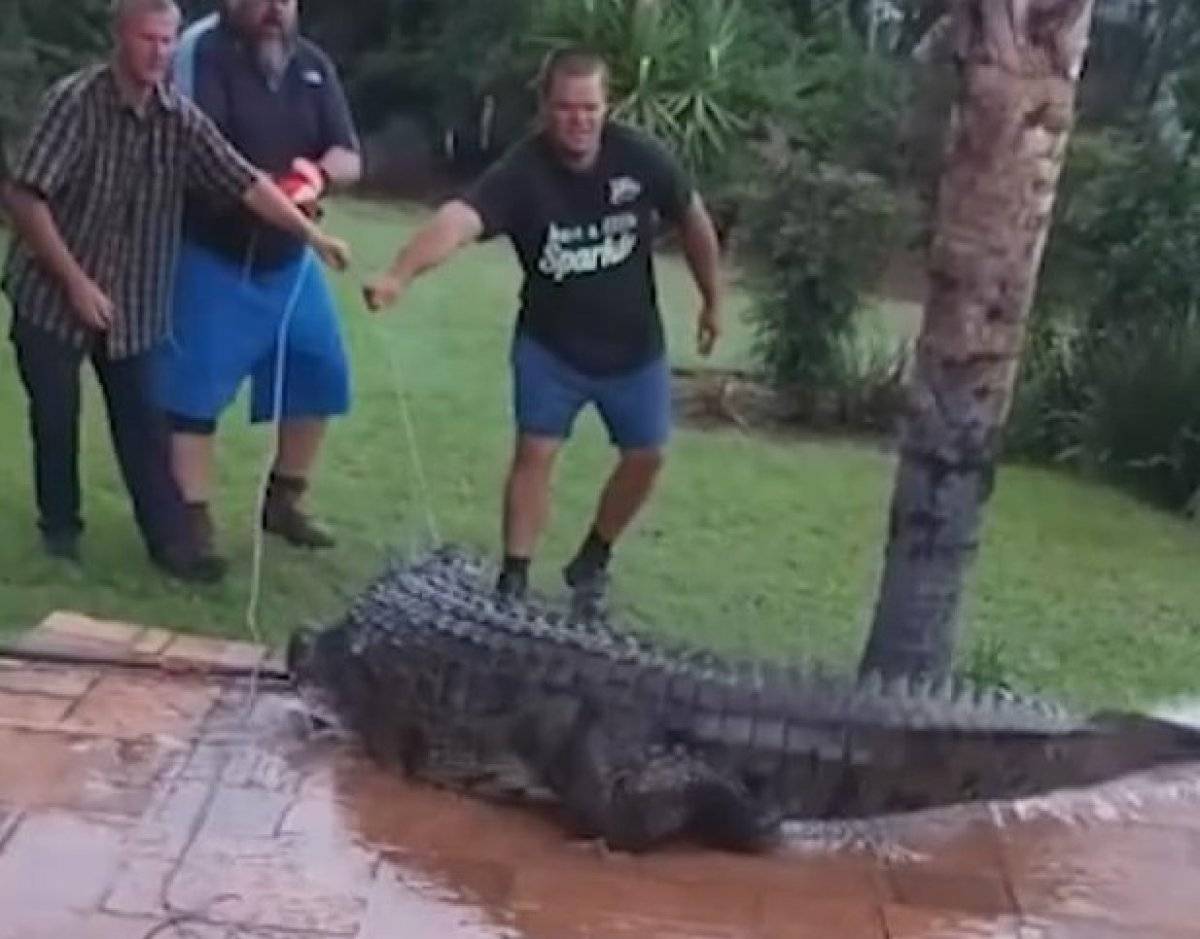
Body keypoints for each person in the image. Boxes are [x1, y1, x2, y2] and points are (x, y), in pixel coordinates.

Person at [363, 47, 723, 615]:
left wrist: (712, 301)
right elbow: (458, 221)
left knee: (647, 455)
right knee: (536, 452)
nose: (577, 121)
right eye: (563, 108)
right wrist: (398, 275)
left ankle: (594, 557)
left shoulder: (642, 157)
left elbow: (693, 218)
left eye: (589, 108)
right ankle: (514, 578)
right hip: (551, 348)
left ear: (608, 107)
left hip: (634, 348)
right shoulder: (522, 172)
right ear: (544, 108)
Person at [0, 0, 350, 582]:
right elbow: (24, 198)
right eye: (147, 40)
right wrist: (76, 282)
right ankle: (60, 533)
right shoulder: (76, 103)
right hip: (52, 295)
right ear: (121, 37)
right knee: (57, 417)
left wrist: (313, 236)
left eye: (167, 41)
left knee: (143, 422)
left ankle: (172, 546)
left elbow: (243, 181)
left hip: (130, 303)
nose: (159, 53)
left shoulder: (177, 118)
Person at [153, 0, 361, 565]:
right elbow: (206, 156)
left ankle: (284, 502)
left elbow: (347, 154)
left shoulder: (312, 63)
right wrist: (284, 200)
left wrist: (316, 175)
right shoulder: (201, 52)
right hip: (210, 252)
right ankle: (189, 520)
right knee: (192, 396)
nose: (274, 9)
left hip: (287, 261)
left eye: (285, 0)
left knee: (319, 373)